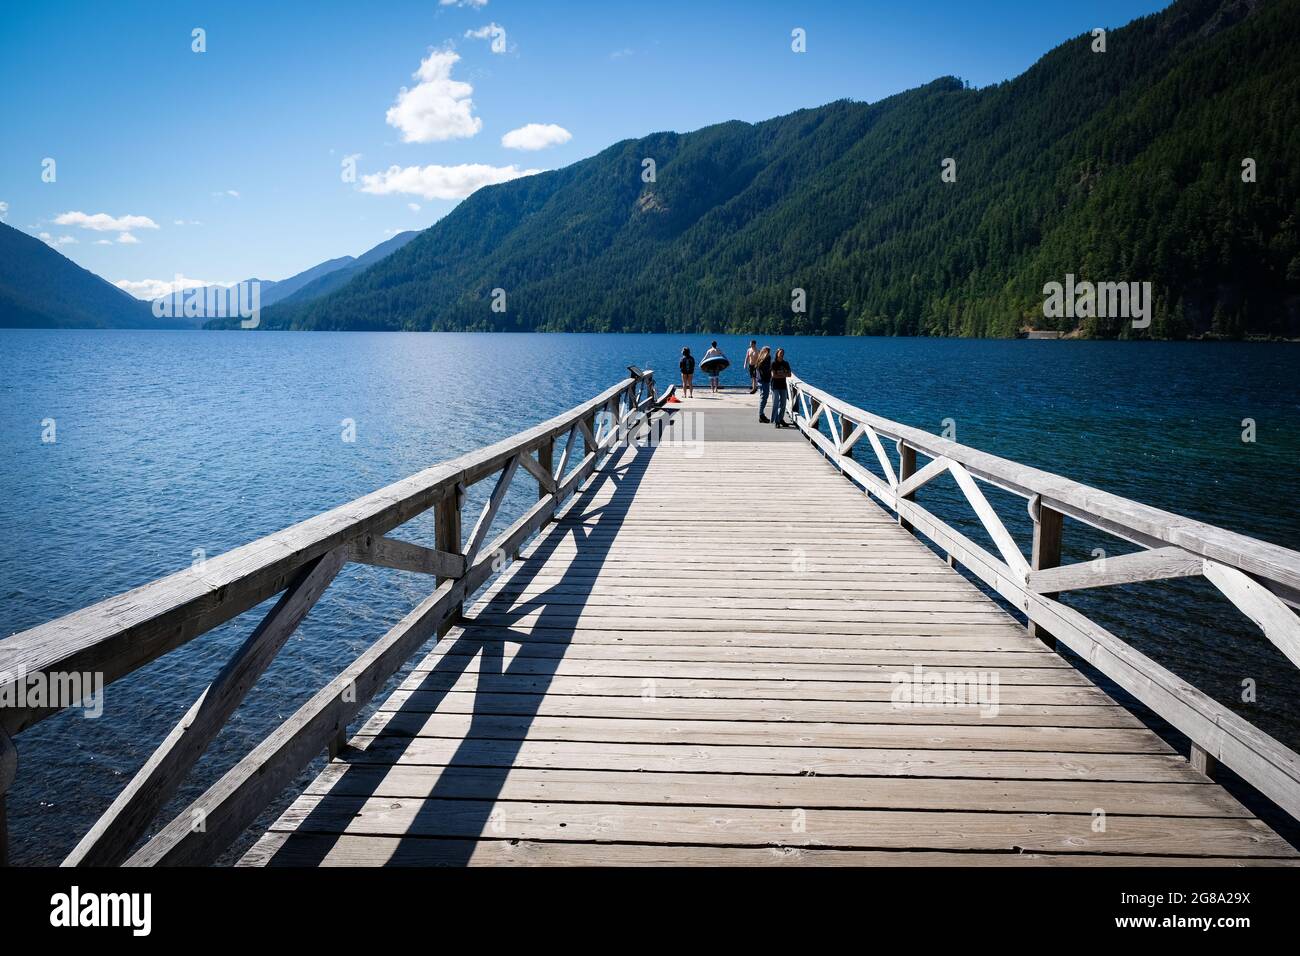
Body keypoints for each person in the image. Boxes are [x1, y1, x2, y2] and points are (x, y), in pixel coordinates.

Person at [771, 347, 792, 427]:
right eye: (780, 353)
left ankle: (780, 419)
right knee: (775, 404)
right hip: (775, 386)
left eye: (783, 353)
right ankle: (776, 422)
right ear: (777, 354)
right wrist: (784, 374)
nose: (782, 355)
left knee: (783, 404)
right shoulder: (773, 363)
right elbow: (773, 376)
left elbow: (789, 374)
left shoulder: (786, 363)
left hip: (783, 386)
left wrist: (779, 374)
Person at [753, 345, 772, 422]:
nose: (768, 353)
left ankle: (761, 414)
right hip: (763, 380)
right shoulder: (762, 360)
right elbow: (762, 370)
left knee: (764, 397)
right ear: (764, 351)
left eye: (769, 351)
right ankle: (761, 415)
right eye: (767, 351)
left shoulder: (764, 359)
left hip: (764, 380)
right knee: (764, 397)